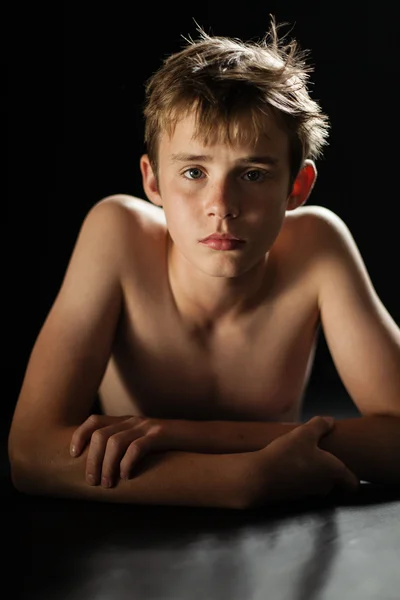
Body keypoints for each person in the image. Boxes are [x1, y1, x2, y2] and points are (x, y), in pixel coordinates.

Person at [8, 18, 400, 510]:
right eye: (193, 171)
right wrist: (238, 480)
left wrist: (182, 435)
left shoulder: (318, 245)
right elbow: (29, 453)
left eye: (253, 174)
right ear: (152, 183)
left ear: (296, 188)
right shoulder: (117, 233)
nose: (221, 205)